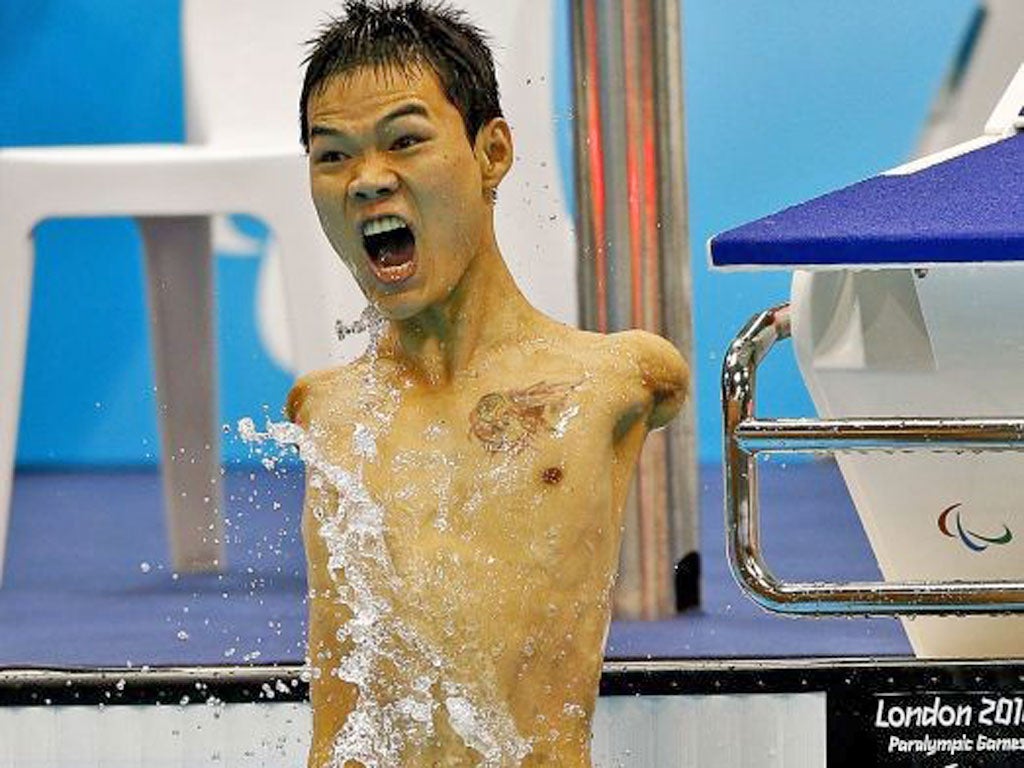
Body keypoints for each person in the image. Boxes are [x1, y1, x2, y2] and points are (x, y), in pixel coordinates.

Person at [287, 1, 688, 765]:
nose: (368, 181)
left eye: (405, 141)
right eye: (332, 155)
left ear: (492, 152)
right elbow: (338, 717)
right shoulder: (330, 411)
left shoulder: (609, 381)